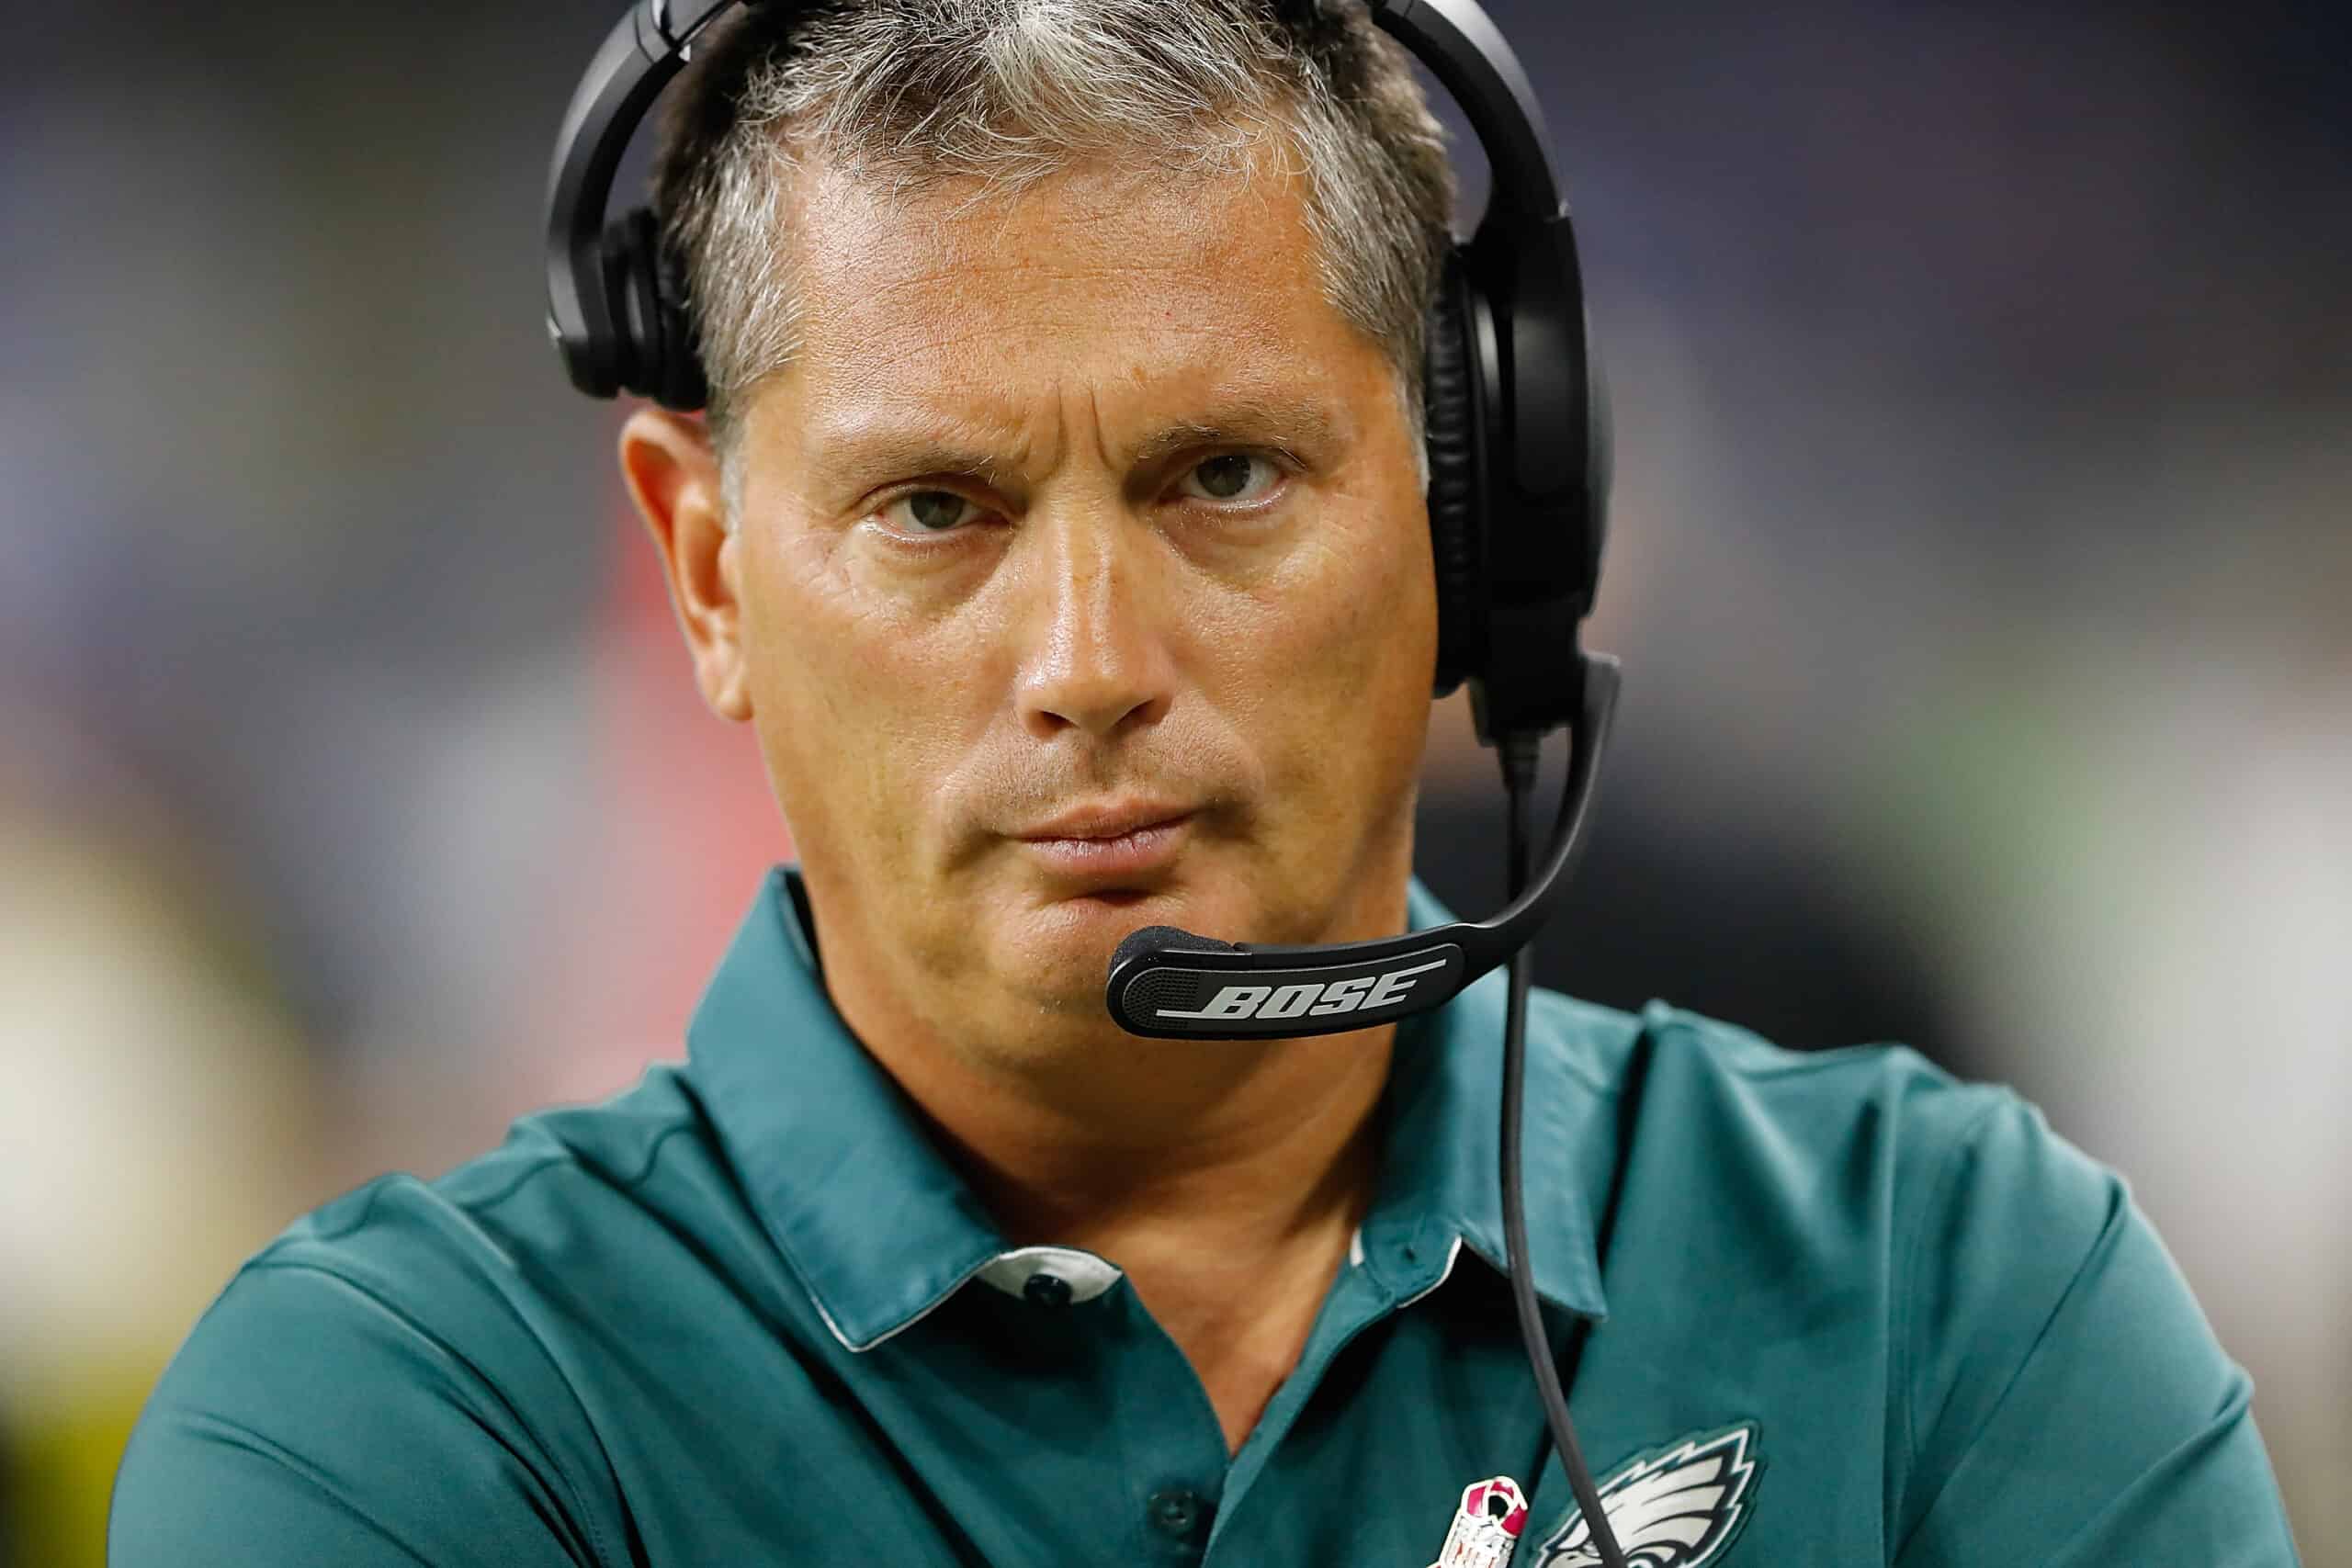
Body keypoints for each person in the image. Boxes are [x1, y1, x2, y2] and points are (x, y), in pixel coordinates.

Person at [110, 3, 2300, 1563]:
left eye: (1223, 475)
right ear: (703, 570)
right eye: (935, 509)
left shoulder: (1950, 1285)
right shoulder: (413, 1421)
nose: (1085, 668)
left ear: (1465, 507)